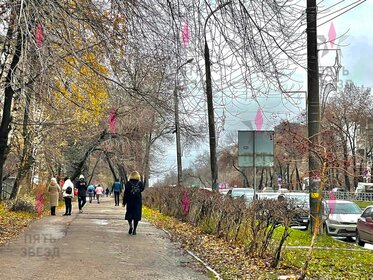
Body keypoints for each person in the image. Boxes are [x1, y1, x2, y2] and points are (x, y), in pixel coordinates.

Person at [123, 171, 145, 235]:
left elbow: (126, 193)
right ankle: (135, 230)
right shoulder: (140, 183)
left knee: (129, 214)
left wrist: (124, 202)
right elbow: (142, 189)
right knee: (136, 215)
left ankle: (130, 226)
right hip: (137, 201)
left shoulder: (128, 183)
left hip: (130, 201)